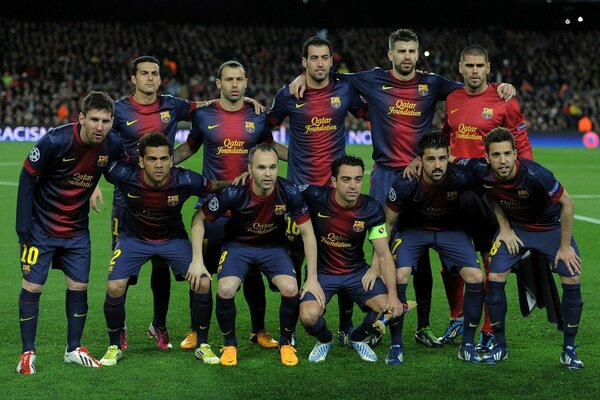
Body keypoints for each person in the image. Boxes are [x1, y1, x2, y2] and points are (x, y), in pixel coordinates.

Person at [290, 29, 515, 348]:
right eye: (402, 51)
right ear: (391, 55)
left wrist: (500, 86)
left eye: (413, 51)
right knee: (370, 249)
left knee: (418, 253)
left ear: (417, 53)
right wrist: (301, 75)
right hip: (384, 176)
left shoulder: (432, 83)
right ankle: (371, 321)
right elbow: (328, 72)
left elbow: (472, 87)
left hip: (422, 178)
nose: (408, 56)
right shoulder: (371, 79)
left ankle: (421, 326)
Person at [173, 60, 287, 354]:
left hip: (249, 210)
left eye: (239, 79)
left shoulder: (258, 117)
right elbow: (189, 147)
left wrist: (306, 159)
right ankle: (197, 331)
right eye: (229, 79)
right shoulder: (203, 115)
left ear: (246, 83)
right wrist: (159, 164)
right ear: (218, 83)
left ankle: (258, 330)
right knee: (202, 272)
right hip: (213, 206)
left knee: (252, 270)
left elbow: (271, 150)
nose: (234, 84)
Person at [15, 91, 125, 374]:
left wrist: (96, 184)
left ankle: (73, 348)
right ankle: (27, 353)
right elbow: (28, 177)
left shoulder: (112, 144)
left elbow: (116, 170)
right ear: (81, 119)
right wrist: (23, 226)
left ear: (112, 121)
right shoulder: (56, 140)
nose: (99, 127)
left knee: (79, 287)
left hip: (77, 230)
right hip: (41, 227)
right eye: (94, 120)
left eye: (106, 120)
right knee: (33, 287)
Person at [98, 133, 230, 366]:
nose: (158, 165)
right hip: (133, 239)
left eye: (163, 158)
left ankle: (202, 344)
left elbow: (215, 187)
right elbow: (94, 166)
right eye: (151, 159)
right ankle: (114, 346)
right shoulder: (123, 175)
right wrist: (91, 189)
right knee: (114, 286)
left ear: (171, 160)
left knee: (203, 281)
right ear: (141, 161)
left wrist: (243, 182)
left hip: (172, 239)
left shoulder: (186, 180)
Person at [456, 127, 583, 369]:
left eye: (507, 154)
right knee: (495, 275)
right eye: (496, 155)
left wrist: (565, 247)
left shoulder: (536, 174)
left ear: (515, 153)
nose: (502, 160)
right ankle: (500, 346)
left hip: (550, 229)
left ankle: (569, 349)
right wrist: (504, 227)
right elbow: (482, 185)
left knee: (572, 279)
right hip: (517, 230)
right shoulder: (480, 170)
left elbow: (567, 203)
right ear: (486, 157)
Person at [268, 36, 368, 344]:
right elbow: (264, 131)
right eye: (314, 58)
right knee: (295, 257)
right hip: (300, 189)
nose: (320, 63)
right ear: (304, 62)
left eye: (325, 57)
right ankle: (292, 329)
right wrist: (290, 154)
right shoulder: (289, 94)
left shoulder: (344, 89)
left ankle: (345, 327)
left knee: (345, 254)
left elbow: (369, 112)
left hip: (335, 191)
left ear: (331, 61)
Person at [436, 44, 534, 351]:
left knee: (491, 260)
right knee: (450, 260)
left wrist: (524, 183)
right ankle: (456, 316)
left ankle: (490, 330)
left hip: (488, 193)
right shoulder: (452, 98)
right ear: (460, 67)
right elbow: (445, 135)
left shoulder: (504, 99)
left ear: (488, 68)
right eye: (470, 66)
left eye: (480, 66)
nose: (475, 71)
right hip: (453, 191)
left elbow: (521, 143)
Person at [189, 143, 318, 366]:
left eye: (272, 167)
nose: (267, 174)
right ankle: (229, 344)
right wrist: (197, 260)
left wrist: (312, 278)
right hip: (238, 247)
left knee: (290, 288)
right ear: (249, 169)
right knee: (226, 288)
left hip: (273, 248)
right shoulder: (233, 192)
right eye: (260, 168)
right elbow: (198, 219)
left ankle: (285, 343)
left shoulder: (289, 191)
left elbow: (308, 234)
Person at [299, 155, 402, 364]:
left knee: (389, 310)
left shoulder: (371, 208)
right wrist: (250, 177)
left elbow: (383, 253)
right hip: (323, 274)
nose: (353, 185)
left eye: (357, 179)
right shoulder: (315, 195)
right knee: (308, 315)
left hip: (356, 273)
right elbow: (282, 187)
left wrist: (393, 294)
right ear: (334, 181)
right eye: (346, 179)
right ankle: (325, 340)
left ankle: (356, 337)